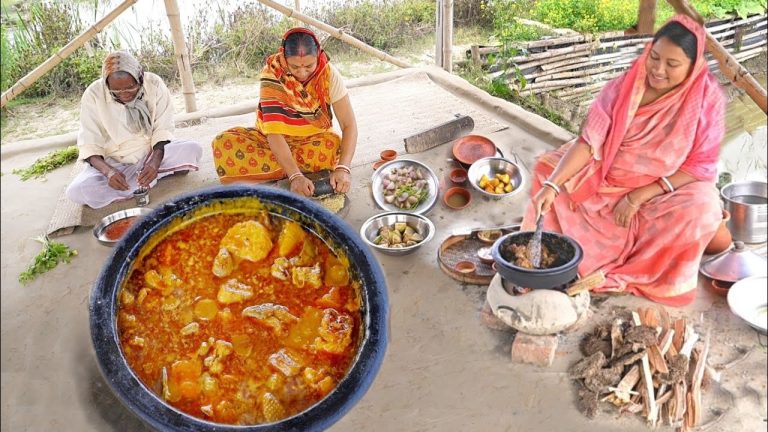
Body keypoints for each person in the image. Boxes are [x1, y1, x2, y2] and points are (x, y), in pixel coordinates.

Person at [522, 15, 726, 306]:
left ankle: (639, 272)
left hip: (663, 189)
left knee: (703, 210)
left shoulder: (707, 100)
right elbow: (589, 141)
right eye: (654, 57)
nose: (658, 69)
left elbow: (699, 166)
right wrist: (553, 185)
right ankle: (569, 259)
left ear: (692, 67)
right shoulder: (625, 87)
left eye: (672, 64)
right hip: (606, 180)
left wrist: (639, 196)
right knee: (547, 171)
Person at [211, 27, 358, 197]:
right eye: (294, 67)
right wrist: (295, 176)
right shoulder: (273, 74)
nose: (302, 73)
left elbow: (349, 124)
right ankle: (294, 170)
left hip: (312, 140)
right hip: (272, 141)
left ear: (318, 55)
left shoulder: (329, 75)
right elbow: (273, 133)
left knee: (332, 146)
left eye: (309, 66)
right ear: (283, 57)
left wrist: (343, 168)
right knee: (223, 144)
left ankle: (279, 170)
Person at [66, 51, 202, 209]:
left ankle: (146, 177)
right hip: (114, 163)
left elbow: (162, 127)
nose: (124, 94)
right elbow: (89, 142)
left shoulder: (154, 84)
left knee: (192, 149)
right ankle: (149, 178)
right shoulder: (93, 94)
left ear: (140, 77)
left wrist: (154, 162)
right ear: (106, 84)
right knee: (77, 191)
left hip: (151, 152)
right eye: (116, 90)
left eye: (131, 87)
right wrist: (109, 172)